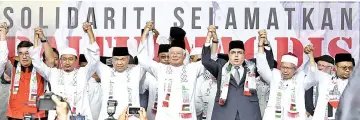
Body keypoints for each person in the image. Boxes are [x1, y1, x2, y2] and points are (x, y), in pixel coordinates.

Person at [29, 22, 99, 119]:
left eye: (70, 59)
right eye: (64, 59)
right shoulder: (53, 73)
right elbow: (37, 63)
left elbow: (94, 60)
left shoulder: (83, 73)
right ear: (60, 60)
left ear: (75, 60)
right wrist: (36, 39)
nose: (67, 62)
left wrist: (90, 34)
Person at [137, 21, 205, 120]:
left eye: (178, 53)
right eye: (172, 53)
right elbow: (142, 58)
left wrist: (210, 41)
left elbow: (209, 60)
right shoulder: (160, 69)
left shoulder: (192, 69)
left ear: (184, 55)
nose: (175, 55)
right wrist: (145, 32)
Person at [0, 22, 48, 120]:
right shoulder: (13, 67)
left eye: (27, 53)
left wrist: (39, 39)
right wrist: (3, 35)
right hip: (15, 115)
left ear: (32, 54)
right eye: (21, 53)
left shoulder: (42, 68)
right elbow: (2, 59)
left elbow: (51, 60)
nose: (24, 56)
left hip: (37, 116)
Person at [258, 42, 316, 119]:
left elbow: (313, 77)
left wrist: (311, 57)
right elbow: (262, 68)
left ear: (295, 69)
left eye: (288, 68)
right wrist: (260, 46)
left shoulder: (300, 79)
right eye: (283, 67)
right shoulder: (275, 76)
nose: (285, 71)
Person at [96, 32, 147, 119]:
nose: (119, 62)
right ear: (112, 60)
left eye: (123, 59)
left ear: (128, 59)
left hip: (131, 117)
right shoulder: (105, 71)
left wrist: (145, 34)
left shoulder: (136, 72)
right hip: (108, 117)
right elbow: (93, 58)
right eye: (116, 59)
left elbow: (145, 59)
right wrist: (89, 34)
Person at [308, 50, 355, 120]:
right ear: (336, 68)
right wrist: (311, 56)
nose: (347, 70)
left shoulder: (355, 85)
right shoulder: (325, 79)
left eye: (350, 68)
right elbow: (313, 70)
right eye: (344, 68)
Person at [140, 44, 171, 120]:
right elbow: (141, 90)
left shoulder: (177, 73)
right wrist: (144, 71)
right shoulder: (149, 75)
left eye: (169, 56)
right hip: (153, 116)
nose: (166, 59)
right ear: (158, 57)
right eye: (163, 57)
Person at [304, 55, 334, 119]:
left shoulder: (335, 82)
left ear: (331, 68)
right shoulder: (310, 79)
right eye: (318, 65)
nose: (320, 68)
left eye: (323, 66)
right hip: (309, 116)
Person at [79, 54, 102, 120]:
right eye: (83, 67)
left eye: (88, 68)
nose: (86, 71)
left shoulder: (100, 84)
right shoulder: (76, 82)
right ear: (79, 66)